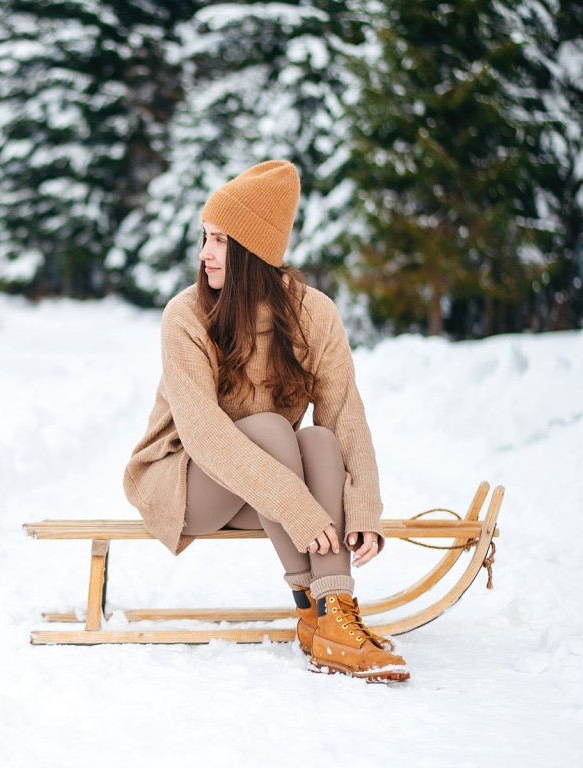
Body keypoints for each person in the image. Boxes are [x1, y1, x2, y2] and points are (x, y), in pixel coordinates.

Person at [123, 160, 409, 682]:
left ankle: (329, 616)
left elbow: (344, 412)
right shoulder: (185, 316)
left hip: (268, 491)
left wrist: (363, 505)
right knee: (276, 429)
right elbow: (204, 434)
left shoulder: (312, 314)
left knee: (319, 440)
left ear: (254, 252)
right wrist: (298, 507)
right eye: (204, 238)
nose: (205, 254)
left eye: (220, 241)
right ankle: (322, 613)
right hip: (187, 484)